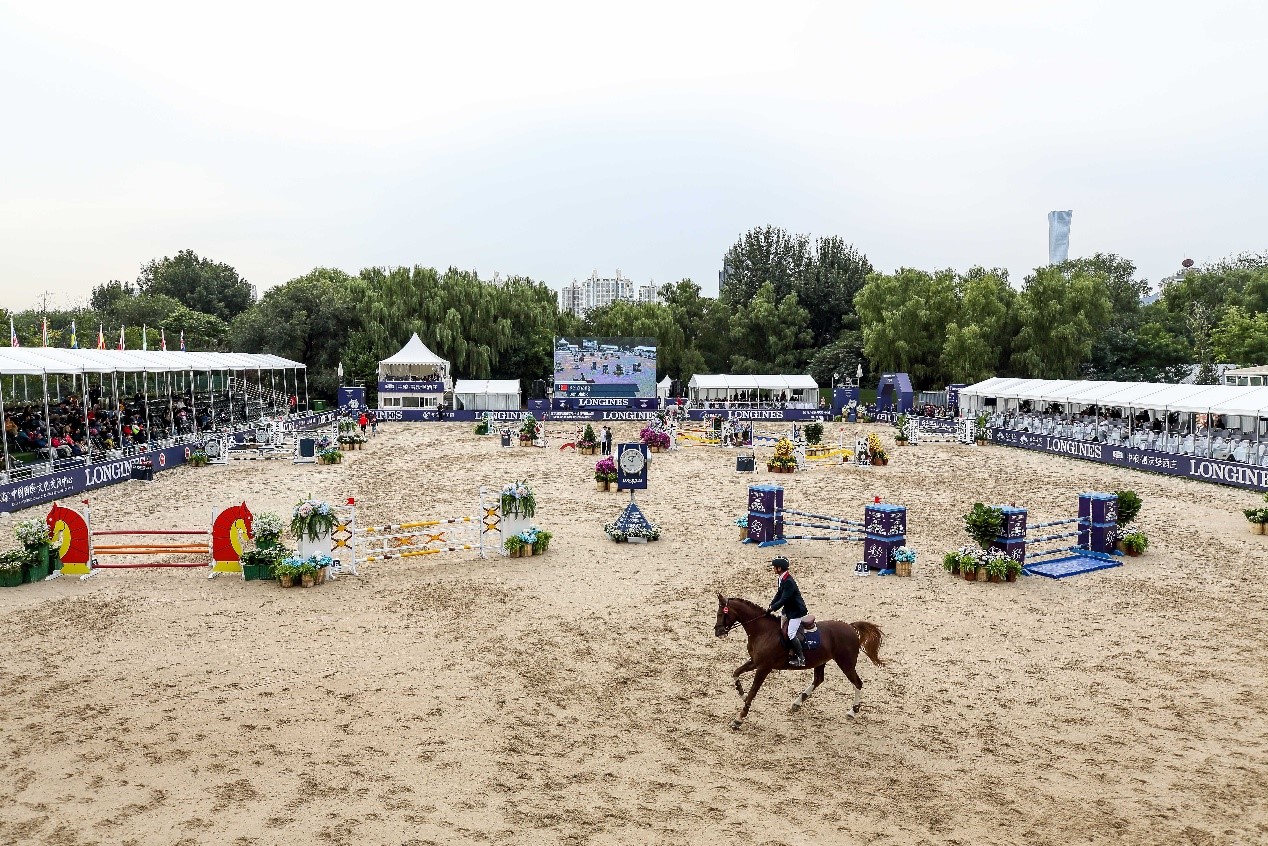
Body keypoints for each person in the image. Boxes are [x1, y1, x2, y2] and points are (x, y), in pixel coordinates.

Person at [768, 556, 809, 667]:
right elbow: (779, 594)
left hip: (796, 611)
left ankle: (801, 658)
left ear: (779, 568)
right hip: (788, 609)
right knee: (780, 629)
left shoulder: (789, 582)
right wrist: (771, 604)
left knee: (791, 634)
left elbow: (784, 598)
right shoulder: (782, 578)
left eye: (774, 567)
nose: (773, 569)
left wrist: (773, 608)